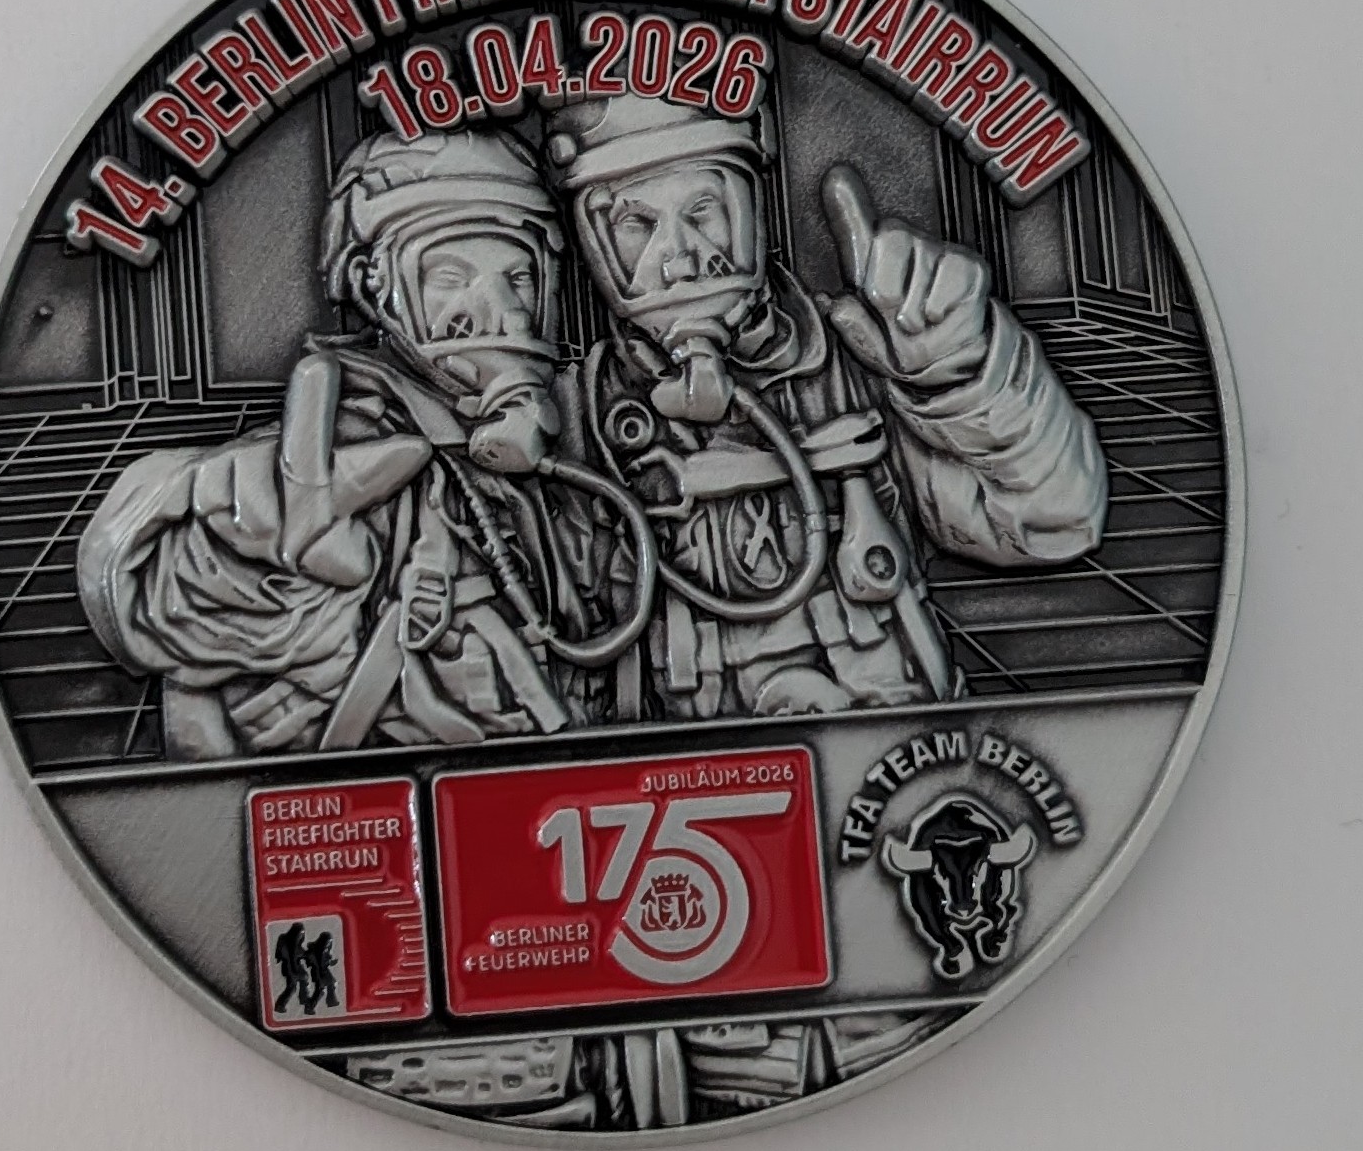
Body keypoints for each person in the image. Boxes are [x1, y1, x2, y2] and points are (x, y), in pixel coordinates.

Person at [77, 129, 653, 759]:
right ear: (374, 285)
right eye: (451, 276)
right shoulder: (347, 447)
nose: (502, 312)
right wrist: (246, 517)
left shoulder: (573, 432)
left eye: (518, 277)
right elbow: (149, 573)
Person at [543, 91, 1109, 722]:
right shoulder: (577, 415)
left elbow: (1052, 522)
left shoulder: (855, 360)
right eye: (637, 225)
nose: (679, 259)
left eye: (703, 210)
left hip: (894, 738)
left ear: (750, 213)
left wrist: (965, 377)